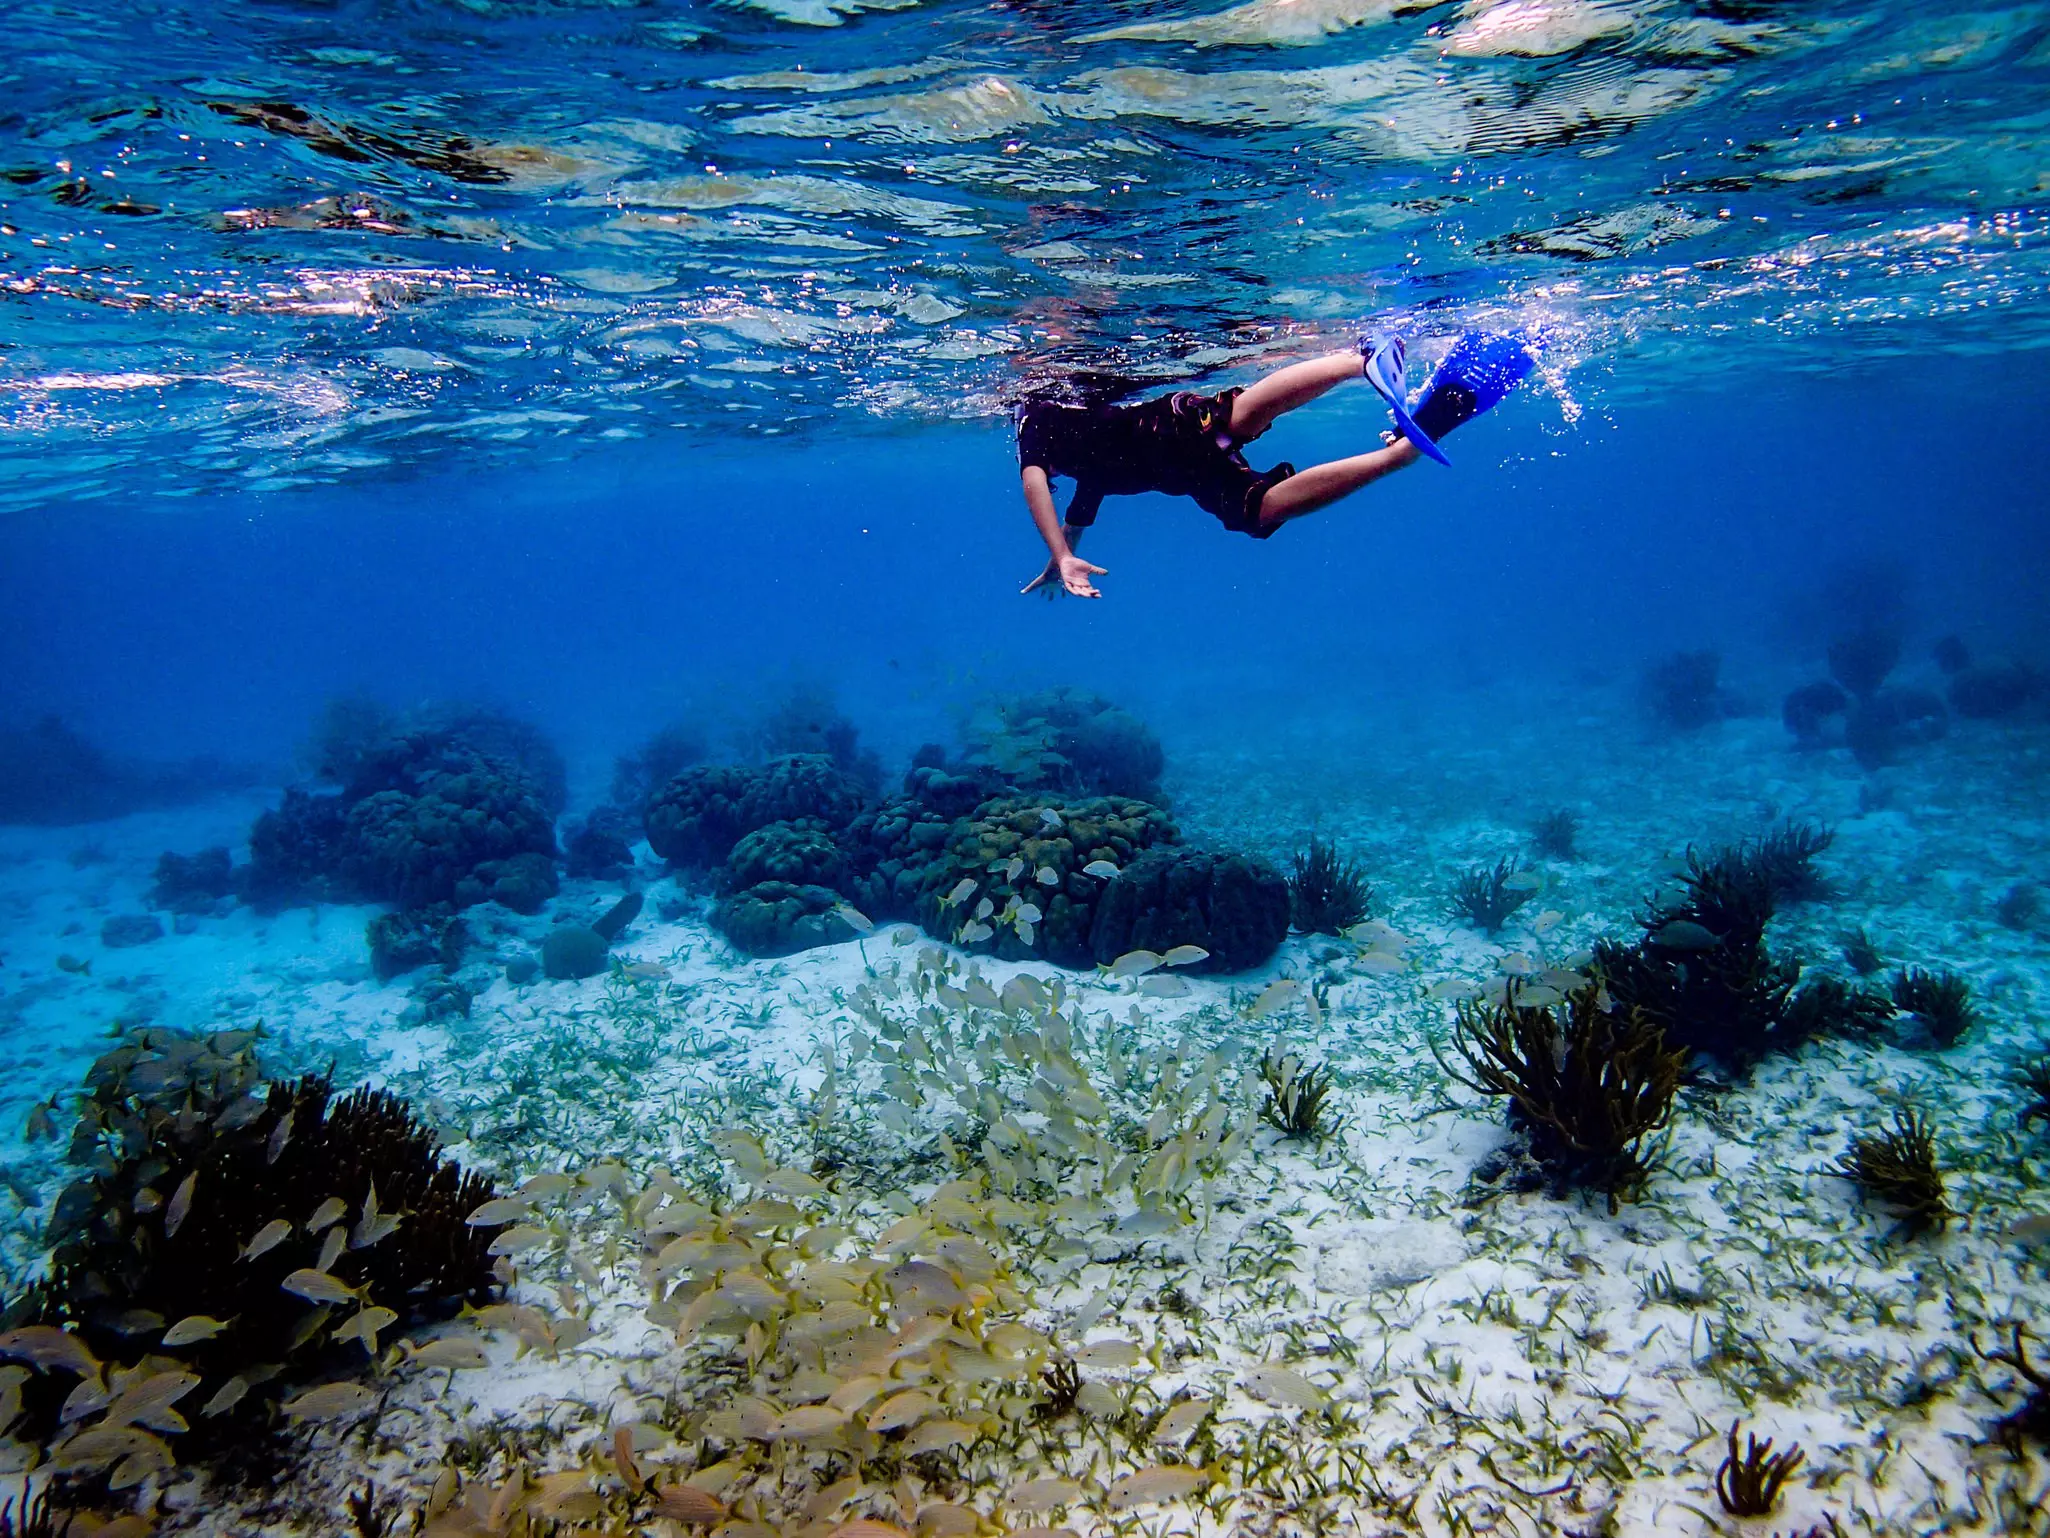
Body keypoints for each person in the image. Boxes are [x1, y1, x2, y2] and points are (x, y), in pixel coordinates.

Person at [1017, 331, 1536, 598]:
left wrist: (1060, 556)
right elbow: (1077, 516)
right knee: (1255, 508)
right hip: (1183, 468)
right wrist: (1061, 556)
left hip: (1160, 430)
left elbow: (1033, 484)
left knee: (1233, 419)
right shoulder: (1088, 472)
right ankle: (1402, 445)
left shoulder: (1033, 419)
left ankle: (1363, 361)